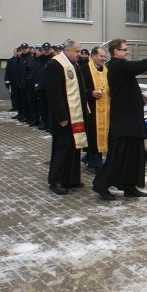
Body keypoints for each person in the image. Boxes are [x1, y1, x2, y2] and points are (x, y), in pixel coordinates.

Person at [92, 39, 147, 200]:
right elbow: (140, 66)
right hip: (124, 120)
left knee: (133, 155)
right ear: (116, 51)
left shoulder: (121, 67)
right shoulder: (117, 65)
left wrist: (141, 97)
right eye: (124, 49)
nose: (127, 52)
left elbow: (126, 87)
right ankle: (101, 185)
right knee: (118, 155)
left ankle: (129, 187)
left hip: (132, 118)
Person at [45, 39, 89, 195]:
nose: (79, 54)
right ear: (68, 50)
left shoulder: (73, 64)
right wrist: (62, 116)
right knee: (62, 148)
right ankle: (56, 181)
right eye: (77, 51)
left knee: (74, 147)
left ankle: (71, 179)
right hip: (63, 117)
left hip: (75, 114)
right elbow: (54, 93)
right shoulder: (55, 64)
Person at [80, 46, 110, 171]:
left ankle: (89, 158)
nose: (103, 59)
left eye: (104, 56)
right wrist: (90, 93)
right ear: (93, 56)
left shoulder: (106, 69)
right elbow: (79, 89)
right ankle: (95, 163)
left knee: (101, 135)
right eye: (101, 56)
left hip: (105, 108)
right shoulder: (84, 69)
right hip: (91, 109)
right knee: (92, 135)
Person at [36, 42, 54, 130]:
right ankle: (44, 123)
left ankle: (50, 125)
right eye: (45, 49)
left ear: (50, 49)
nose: (46, 51)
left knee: (49, 107)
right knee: (42, 106)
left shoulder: (53, 59)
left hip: (49, 87)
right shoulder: (40, 59)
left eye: (48, 49)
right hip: (41, 86)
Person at [5, 47, 21, 112]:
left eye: (16, 52)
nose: (15, 53)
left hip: (20, 81)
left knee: (20, 95)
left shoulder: (20, 60)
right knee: (13, 95)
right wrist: (7, 81)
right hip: (12, 81)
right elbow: (7, 71)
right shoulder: (10, 61)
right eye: (14, 52)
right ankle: (14, 106)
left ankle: (19, 106)